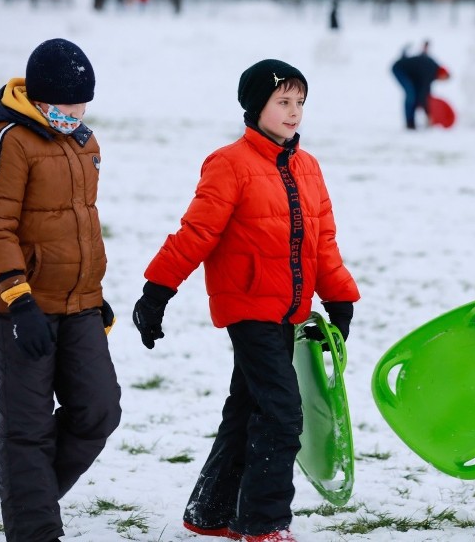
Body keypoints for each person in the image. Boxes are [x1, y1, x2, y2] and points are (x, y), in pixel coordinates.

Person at [132, 59, 360, 542]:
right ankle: (264, 523)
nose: (294, 112)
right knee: (281, 413)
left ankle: (211, 511)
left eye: (300, 102)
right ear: (256, 107)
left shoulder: (308, 167)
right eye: (283, 102)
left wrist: (339, 296)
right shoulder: (230, 163)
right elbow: (197, 233)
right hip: (249, 305)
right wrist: (157, 292)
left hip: (289, 311)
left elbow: (323, 242)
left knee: (247, 407)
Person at [0, 38, 122, 542]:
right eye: (66, 104)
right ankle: (35, 529)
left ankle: (27, 497)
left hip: (79, 304)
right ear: (38, 97)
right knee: (27, 428)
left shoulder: (84, 142)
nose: (75, 113)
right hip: (22, 306)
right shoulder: (5, 140)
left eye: (82, 104)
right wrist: (18, 299)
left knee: (99, 410)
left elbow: (81, 224)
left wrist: (93, 291)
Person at [391, 41, 451, 129]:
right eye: (444, 79)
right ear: (443, 74)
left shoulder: (432, 69)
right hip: (399, 69)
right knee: (411, 94)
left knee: (415, 95)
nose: (441, 81)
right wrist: (428, 112)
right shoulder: (430, 72)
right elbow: (424, 91)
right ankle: (409, 123)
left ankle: (411, 123)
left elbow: (425, 92)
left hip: (410, 73)